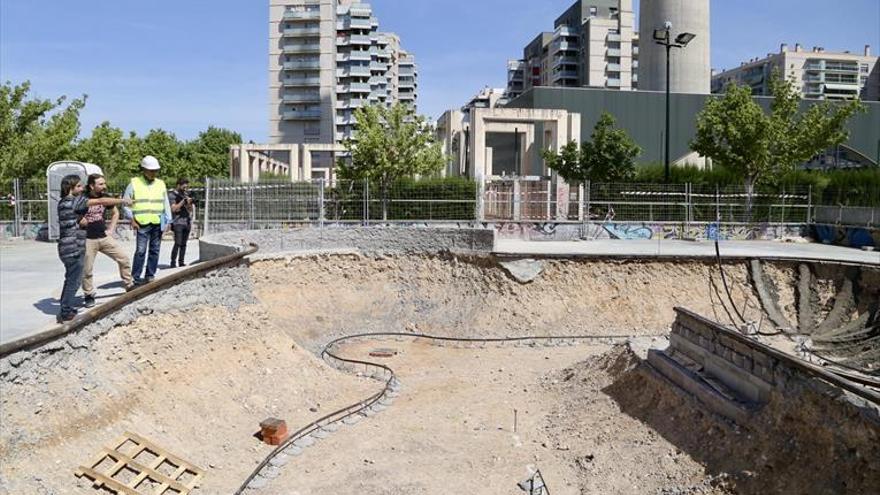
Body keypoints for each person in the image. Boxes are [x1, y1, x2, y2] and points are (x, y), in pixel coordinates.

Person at [56, 174, 131, 323]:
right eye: (78, 186)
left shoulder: (63, 202)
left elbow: (107, 207)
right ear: (70, 188)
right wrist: (124, 200)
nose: (81, 187)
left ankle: (66, 307)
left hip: (79, 241)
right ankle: (67, 311)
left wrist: (110, 229)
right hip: (76, 244)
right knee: (77, 278)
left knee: (71, 278)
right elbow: (100, 202)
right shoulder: (75, 201)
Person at [80, 174, 135, 307]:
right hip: (88, 239)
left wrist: (111, 229)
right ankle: (88, 294)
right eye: (101, 184)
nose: (104, 186)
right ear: (92, 186)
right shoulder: (82, 198)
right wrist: (81, 221)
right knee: (87, 269)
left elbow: (115, 213)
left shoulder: (105, 196)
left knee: (123, 258)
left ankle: (129, 284)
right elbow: (77, 215)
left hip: (103, 237)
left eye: (104, 183)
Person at [123, 156, 171, 285]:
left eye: (155, 170)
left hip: (157, 222)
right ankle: (136, 277)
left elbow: (165, 202)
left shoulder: (161, 183)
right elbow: (125, 203)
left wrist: (168, 221)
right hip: (141, 223)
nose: (153, 173)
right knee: (140, 251)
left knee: (155, 250)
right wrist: (132, 219)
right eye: (151, 170)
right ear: (144, 169)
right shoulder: (134, 183)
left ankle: (150, 274)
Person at [168, 178, 194, 268]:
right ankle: (172, 262)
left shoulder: (186, 194)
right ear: (178, 185)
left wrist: (189, 204)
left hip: (186, 222)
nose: (185, 189)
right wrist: (182, 201)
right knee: (178, 242)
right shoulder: (172, 195)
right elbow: (173, 209)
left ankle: (181, 262)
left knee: (184, 243)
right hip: (177, 222)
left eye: (186, 187)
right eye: (183, 186)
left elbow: (190, 210)